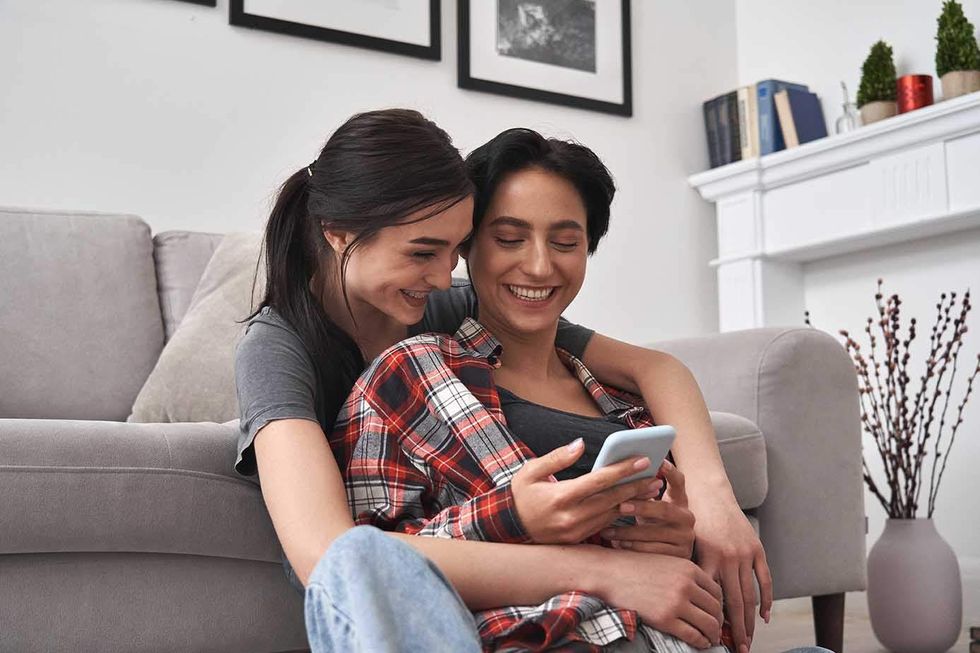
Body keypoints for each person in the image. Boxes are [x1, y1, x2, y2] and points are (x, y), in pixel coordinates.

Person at [234, 110, 771, 652]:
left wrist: (710, 498)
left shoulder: (448, 302)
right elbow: (332, 558)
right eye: (423, 252)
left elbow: (655, 367)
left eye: (455, 249)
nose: (446, 277)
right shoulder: (277, 348)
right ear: (337, 234)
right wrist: (595, 566)